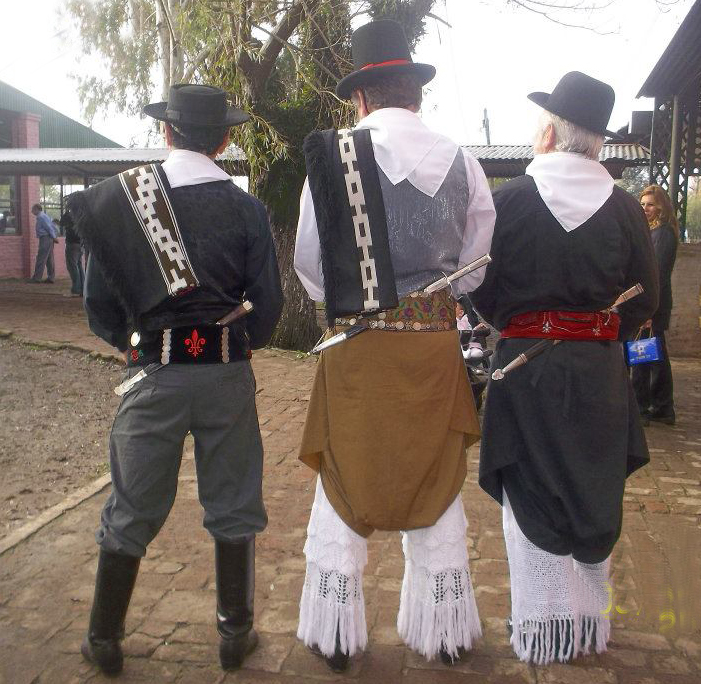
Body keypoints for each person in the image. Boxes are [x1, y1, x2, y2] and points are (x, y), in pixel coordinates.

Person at [294, 20, 496, 671]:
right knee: (433, 480)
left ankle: (333, 636)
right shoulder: (463, 162)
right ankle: (442, 633)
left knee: (343, 482)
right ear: (415, 94)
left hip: (355, 353)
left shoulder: (330, 158)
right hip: (431, 352)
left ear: (360, 98)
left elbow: (310, 267)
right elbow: (476, 267)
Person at [67, 84, 283, 676]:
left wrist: (131, 347)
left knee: (132, 506)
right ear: (225, 139)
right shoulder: (247, 210)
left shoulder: (122, 200)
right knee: (235, 504)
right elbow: (266, 307)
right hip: (224, 374)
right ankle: (234, 635)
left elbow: (100, 308)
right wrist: (242, 344)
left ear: (166, 132)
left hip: (154, 375)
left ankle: (104, 639)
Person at [470, 72, 659, 664]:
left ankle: (541, 629)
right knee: (591, 485)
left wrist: (520, 326)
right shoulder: (628, 210)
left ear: (549, 132)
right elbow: (647, 298)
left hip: (525, 373)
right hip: (600, 375)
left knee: (530, 489)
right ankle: (584, 627)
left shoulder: (509, 203)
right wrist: (598, 338)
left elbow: (480, 288)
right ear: (598, 141)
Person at [632, 185, 678, 426]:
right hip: (656, 303)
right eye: (642, 204)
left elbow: (656, 274)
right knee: (656, 356)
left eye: (650, 204)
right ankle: (662, 406)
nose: (646, 209)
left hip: (652, 305)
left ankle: (641, 407)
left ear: (661, 207)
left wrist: (648, 310)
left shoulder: (662, 234)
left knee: (641, 355)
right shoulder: (657, 232)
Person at [29, 203, 58, 283]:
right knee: (49, 259)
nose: (32, 211)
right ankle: (51, 277)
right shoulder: (43, 216)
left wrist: (54, 237)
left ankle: (37, 278)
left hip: (45, 238)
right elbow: (51, 226)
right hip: (48, 238)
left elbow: (49, 227)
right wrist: (53, 237)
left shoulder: (41, 217)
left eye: (33, 209)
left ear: (37, 209)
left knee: (41, 258)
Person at [61, 210, 84, 296]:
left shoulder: (70, 215)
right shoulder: (81, 214)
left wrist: (66, 211)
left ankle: (76, 289)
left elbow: (62, 222)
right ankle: (82, 288)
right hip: (80, 243)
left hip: (72, 243)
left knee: (72, 266)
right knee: (79, 266)